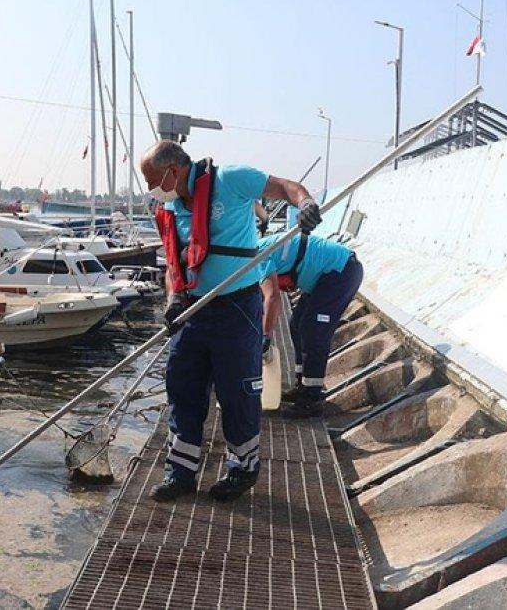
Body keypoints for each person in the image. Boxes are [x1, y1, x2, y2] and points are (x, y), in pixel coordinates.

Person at [141, 140, 321, 502]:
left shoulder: (232, 179)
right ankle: (181, 472)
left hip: (236, 308)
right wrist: (173, 299)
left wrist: (306, 204)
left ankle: (243, 468)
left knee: (237, 391)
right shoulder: (173, 208)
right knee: (181, 385)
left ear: (172, 171)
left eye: (152, 180)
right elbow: (173, 264)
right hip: (192, 308)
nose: (151, 191)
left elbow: (287, 187)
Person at [257, 231, 363, 417]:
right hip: (326, 274)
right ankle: (303, 385)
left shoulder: (258, 258)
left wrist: (265, 337)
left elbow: (272, 298)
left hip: (341, 271)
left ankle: (311, 399)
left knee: (313, 331)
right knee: (296, 324)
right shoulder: (256, 251)